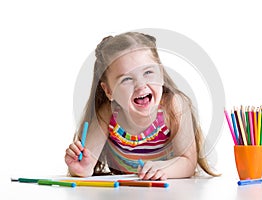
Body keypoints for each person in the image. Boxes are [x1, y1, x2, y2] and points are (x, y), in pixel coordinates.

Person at [65, 32, 219, 180]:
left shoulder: (174, 106)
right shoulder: (108, 114)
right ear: (109, 91)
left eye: (148, 72)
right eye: (126, 79)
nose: (141, 85)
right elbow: (88, 162)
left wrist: (163, 168)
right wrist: (82, 168)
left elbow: (188, 163)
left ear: (161, 74)